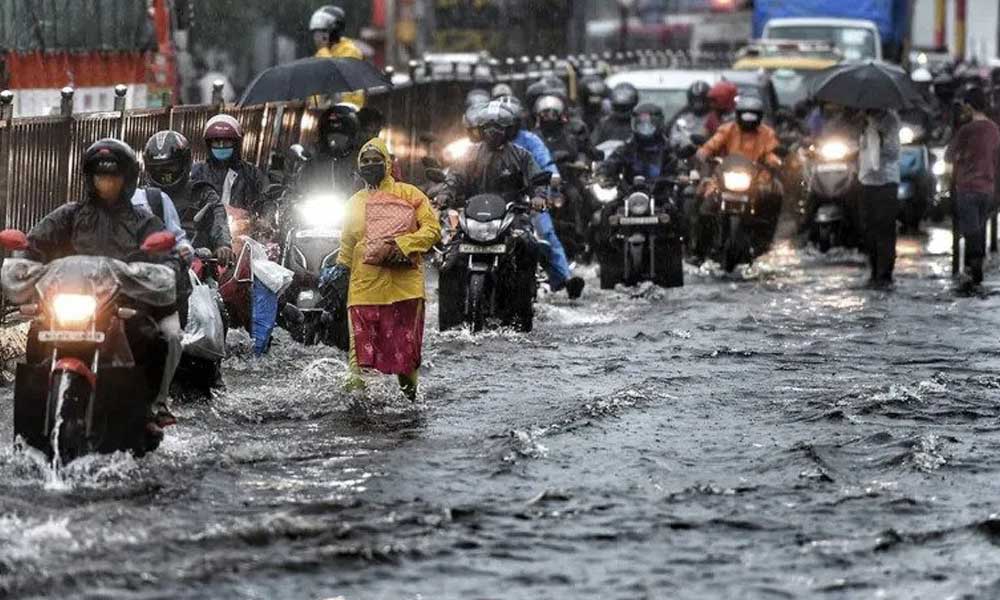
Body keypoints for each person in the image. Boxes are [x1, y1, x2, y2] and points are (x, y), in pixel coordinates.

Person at [26, 138, 181, 440]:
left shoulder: (143, 221)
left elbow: (167, 258)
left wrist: (156, 275)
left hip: (122, 305)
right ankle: (37, 401)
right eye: (100, 176)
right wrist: (25, 266)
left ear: (127, 179)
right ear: (89, 178)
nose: (106, 183)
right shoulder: (70, 214)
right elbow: (34, 243)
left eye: (113, 176)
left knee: (150, 334)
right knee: (37, 331)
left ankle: (149, 408)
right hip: (75, 301)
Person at [333, 138, 441, 400]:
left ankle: (410, 401)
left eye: (376, 160)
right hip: (364, 290)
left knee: (405, 358)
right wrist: (338, 271)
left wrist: (402, 244)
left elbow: (432, 231)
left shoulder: (411, 195)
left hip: (403, 291)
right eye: (365, 161)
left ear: (388, 163)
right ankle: (354, 408)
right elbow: (347, 243)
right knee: (358, 357)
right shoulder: (354, 203)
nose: (371, 165)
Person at [496, 96, 585, 298]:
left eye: (507, 122)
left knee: (545, 233)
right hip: (491, 201)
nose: (501, 129)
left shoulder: (529, 141)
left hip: (524, 199)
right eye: (498, 123)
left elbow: (546, 164)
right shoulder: (482, 146)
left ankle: (565, 278)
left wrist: (552, 176)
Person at [947, 86, 1000, 290]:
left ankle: (974, 273)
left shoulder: (966, 130)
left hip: (967, 187)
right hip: (987, 188)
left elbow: (948, 156)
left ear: (969, 106)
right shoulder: (995, 130)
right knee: (978, 227)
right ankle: (975, 269)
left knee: (971, 231)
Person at [856, 108, 902, 288]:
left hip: (886, 181)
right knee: (868, 228)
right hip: (867, 181)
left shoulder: (891, 120)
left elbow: (894, 152)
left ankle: (885, 274)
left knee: (885, 229)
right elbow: (862, 149)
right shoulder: (865, 120)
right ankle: (874, 270)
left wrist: (881, 137)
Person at [191, 114, 264, 212]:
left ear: (236, 144)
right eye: (217, 142)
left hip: (242, 225)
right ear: (209, 144)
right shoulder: (198, 171)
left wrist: (249, 218)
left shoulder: (252, 173)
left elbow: (264, 202)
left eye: (226, 142)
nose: (221, 146)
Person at [298, 104, 364, 197]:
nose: (336, 141)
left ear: (351, 138)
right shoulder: (313, 162)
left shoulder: (360, 162)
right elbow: (300, 188)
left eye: (341, 137)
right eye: (332, 136)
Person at [310, 5, 365, 107]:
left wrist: (323, 50)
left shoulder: (350, 51)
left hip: (348, 110)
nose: (316, 38)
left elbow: (334, 77)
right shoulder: (321, 53)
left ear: (332, 31)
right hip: (322, 113)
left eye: (320, 33)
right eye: (315, 33)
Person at [667, 80, 712, 148]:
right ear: (690, 100)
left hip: (709, 153)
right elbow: (674, 138)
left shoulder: (715, 116)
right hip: (685, 154)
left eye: (701, 100)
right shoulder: (682, 116)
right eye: (695, 100)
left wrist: (705, 141)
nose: (698, 104)